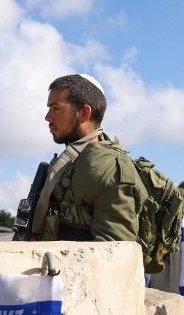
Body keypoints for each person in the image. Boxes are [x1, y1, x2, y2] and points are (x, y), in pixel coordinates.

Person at [28, 74, 144, 242]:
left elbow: (115, 254)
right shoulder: (72, 162)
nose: (47, 117)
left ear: (84, 113)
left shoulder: (107, 168)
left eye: (55, 108)